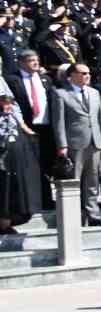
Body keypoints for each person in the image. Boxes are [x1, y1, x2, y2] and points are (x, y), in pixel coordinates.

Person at [53, 62, 101, 226]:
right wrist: (62, 144)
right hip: (74, 142)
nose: (87, 76)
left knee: (93, 180)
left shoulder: (94, 92)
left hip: (95, 141)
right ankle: (74, 215)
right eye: (83, 73)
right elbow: (59, 122)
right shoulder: (61, 94)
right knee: (74, 180)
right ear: (72, 75)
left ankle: (93, 214)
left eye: (88, 73)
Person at [11, 50, 57, 211]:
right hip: (25, 127)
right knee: (29, 167)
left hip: (46, 127)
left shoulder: (45, 79)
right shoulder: (13, 80)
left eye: (37, 60)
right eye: (31, 60)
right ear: (22, 62)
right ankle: (31, 202)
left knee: (46, 165)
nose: (36, 63)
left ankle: (46, 199)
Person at [0, 85, 43, 235]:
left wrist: (26, 130)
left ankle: (7, 221)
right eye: (3, 102)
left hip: (13, 157)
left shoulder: (12, 116)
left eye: (9, 102)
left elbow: (17, 115)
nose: (7, 105)